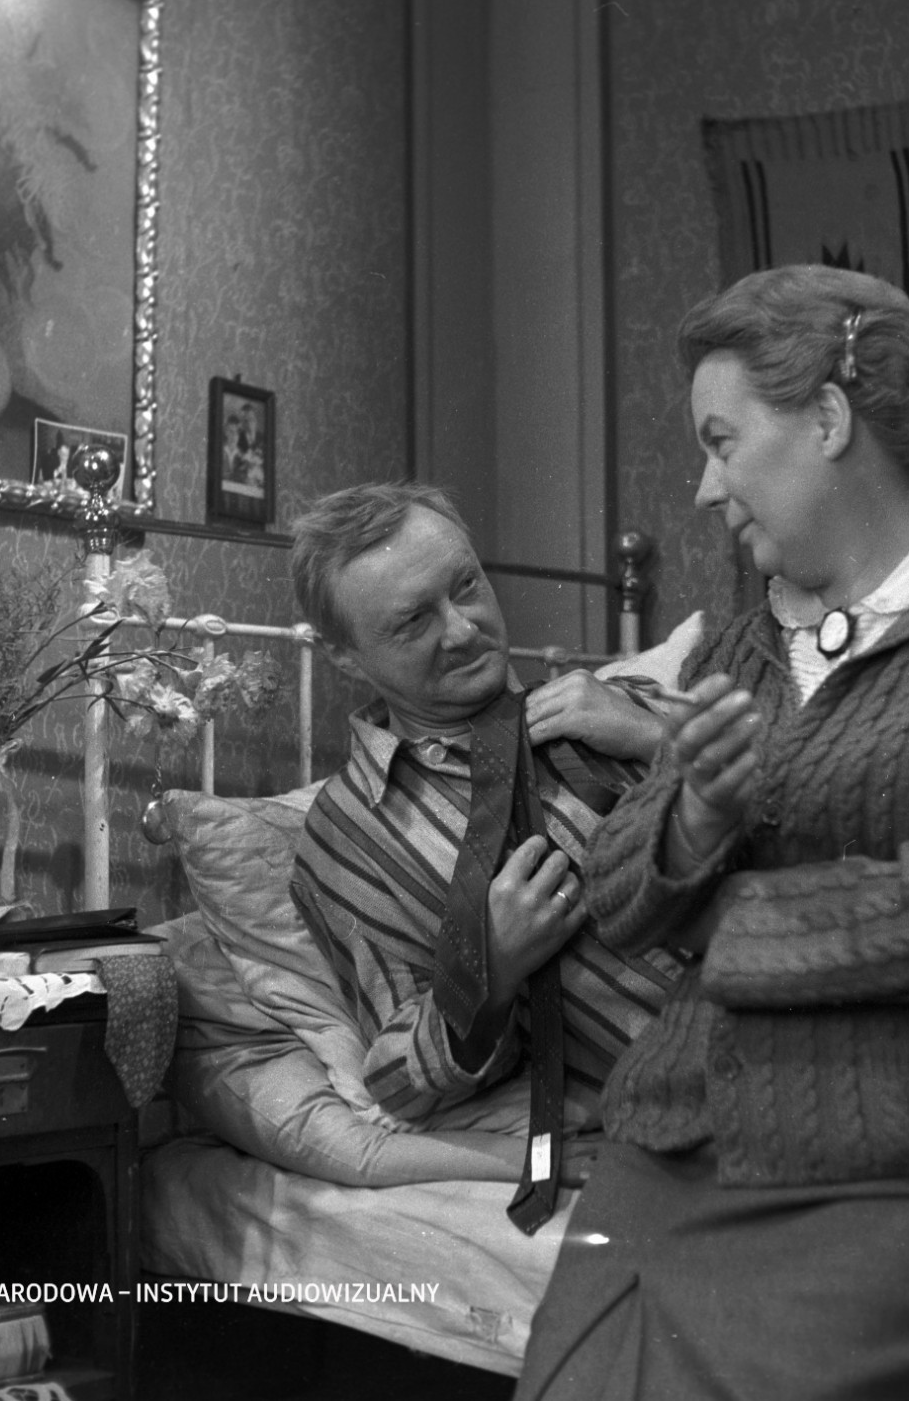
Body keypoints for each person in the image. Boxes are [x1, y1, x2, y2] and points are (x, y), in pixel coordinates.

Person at [515, 266, 909, 1400]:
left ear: (830, 420)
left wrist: (725, 915)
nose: (705, 488)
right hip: (673, 1147)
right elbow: (620, 896)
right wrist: (695, 815)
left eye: (722, 442)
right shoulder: (740, 652)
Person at [288, 483, 685, 1219]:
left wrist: (656, 736)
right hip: (694, 1107)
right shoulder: (348, 839)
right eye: (413, 621)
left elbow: (820, 814)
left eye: (466, 585)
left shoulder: (616, 701)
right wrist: (490, 971)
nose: (463, 630)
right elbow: (399, 1081)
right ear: (343, 656)